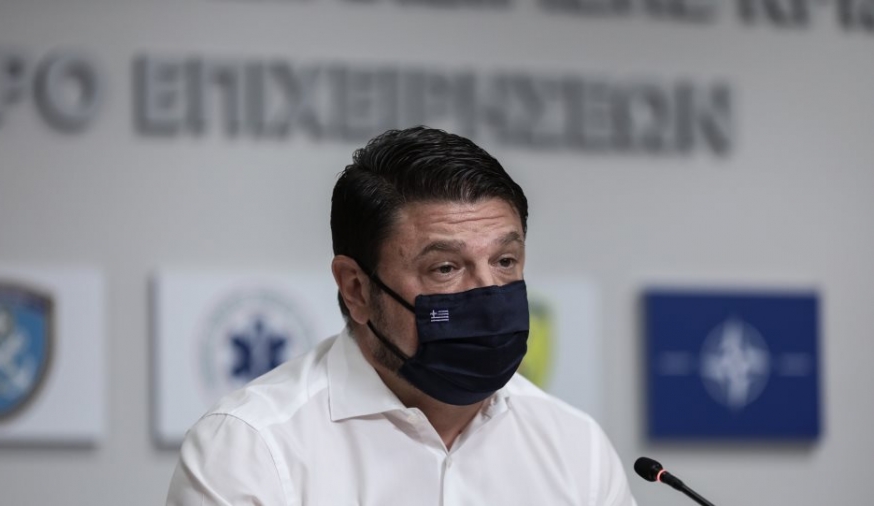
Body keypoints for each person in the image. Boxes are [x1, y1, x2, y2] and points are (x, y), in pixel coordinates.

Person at [166, 126, 637, 505]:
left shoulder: (576, 447)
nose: (489, 292)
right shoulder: (251, 449)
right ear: (356, 288)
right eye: (446, 268)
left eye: (505, 261)